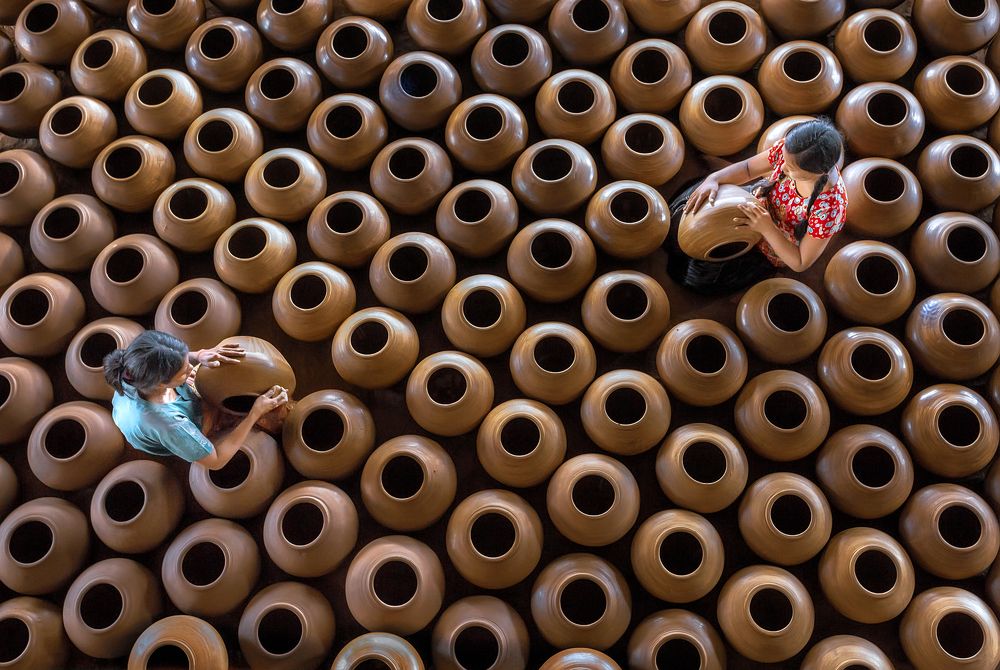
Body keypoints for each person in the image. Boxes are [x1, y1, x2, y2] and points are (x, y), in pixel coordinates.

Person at [667, 117, 848, 295]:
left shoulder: (829, 207)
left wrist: (766, 228)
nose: (782, 167)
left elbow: (800, 262)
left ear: (819, 172)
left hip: (775, 240)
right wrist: (713, 179)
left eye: (791, 169)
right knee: (684, 205)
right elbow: (748, 169)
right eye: (783, 159)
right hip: (757, 199)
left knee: (691, 274)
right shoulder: (794, 151)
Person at [103, 330, 290, 470]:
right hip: (161, 430)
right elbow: (216, 462)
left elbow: (176, 358)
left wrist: (199, 355)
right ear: (161, 383)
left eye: (187, 362)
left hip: (148, 413)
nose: (192, 369)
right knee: (271, 415)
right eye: (184, 371)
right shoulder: (171, 426)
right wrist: (254, 413)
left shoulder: (133, 367)